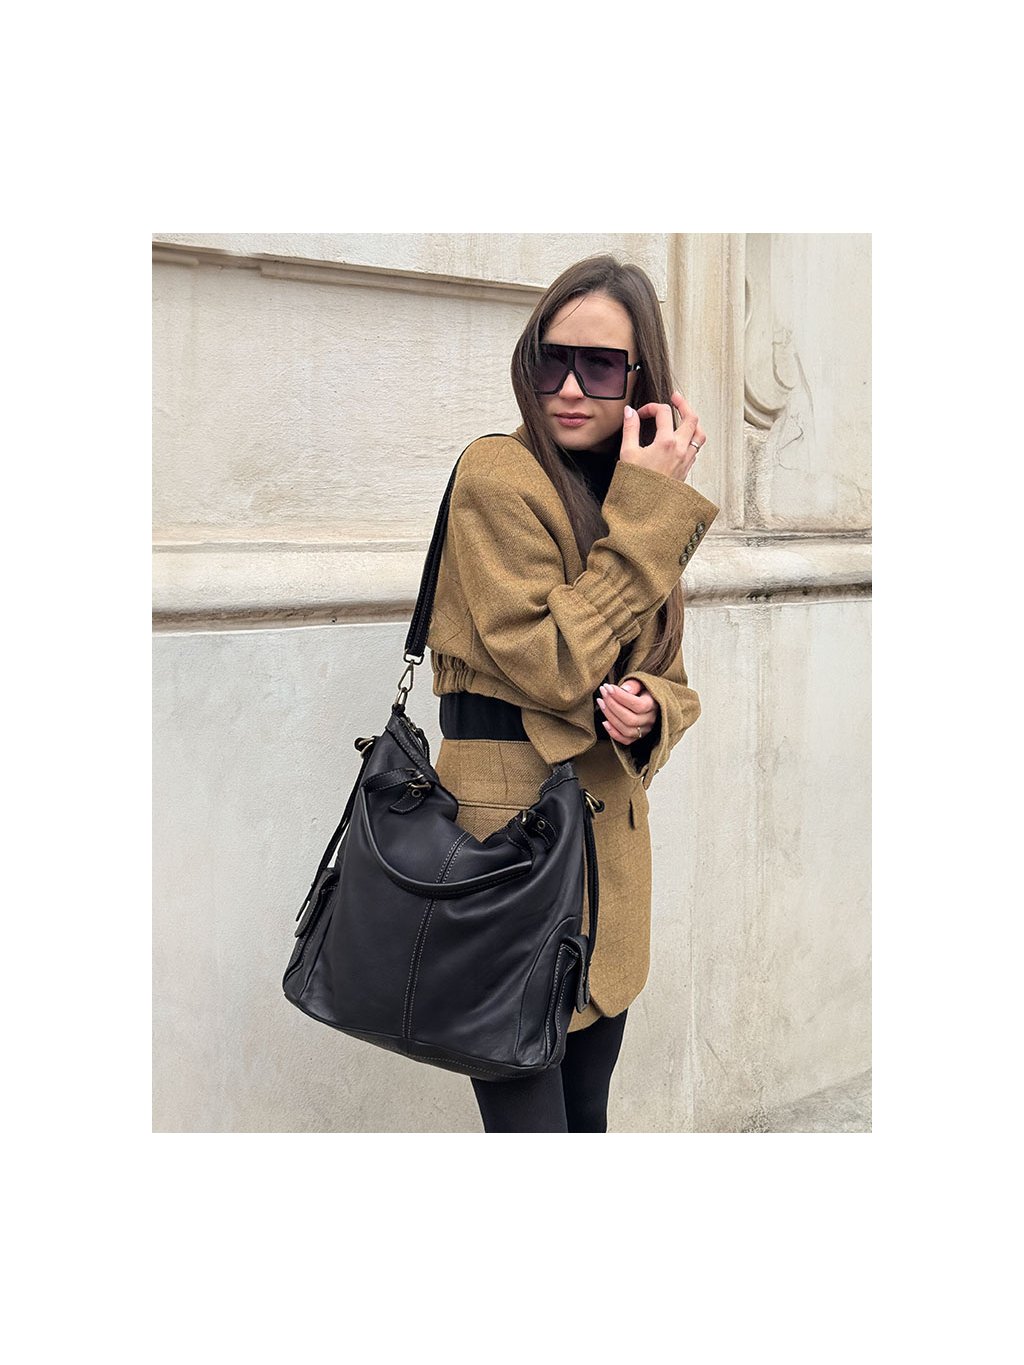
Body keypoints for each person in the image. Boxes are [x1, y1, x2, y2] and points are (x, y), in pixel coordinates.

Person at [427, 254, 719, 1132]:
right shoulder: (499, 474)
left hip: (608, 860)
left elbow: (672, 676)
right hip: (505, 856)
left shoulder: (635, 500)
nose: (567, 386)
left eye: (598, 365)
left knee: (587, 1116)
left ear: (639, 377)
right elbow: (554, 662)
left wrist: (650, 711)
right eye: (551, 358)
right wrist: (649, 509)